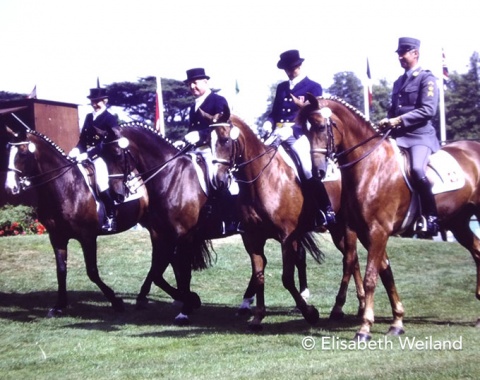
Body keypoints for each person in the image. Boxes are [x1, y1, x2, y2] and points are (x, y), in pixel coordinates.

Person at [263, 49, 335, 227]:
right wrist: (268, 122)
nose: (290, 71)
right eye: (287, 68)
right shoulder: (281, 87)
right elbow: (274, 112)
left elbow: (315, 116)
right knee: (256, 161)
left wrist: (294, 128)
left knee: (308, 168)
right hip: (277, 133)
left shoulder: (313, 86)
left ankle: (325, 209)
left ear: (299, 65)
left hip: (299, 134)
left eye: (293, 67)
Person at [379, 37, 440, 236]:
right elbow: (393, 109)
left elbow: (428, 110)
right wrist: (386, 120)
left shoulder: (426, 78)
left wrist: (398, 120)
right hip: (397, 136)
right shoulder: (398, 82)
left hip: (419, 136)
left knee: (416, 170)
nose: (400, 57)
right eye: (398, 54)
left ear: (415, 53)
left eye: (404, 53)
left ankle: (430, 216)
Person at [183, 68, 240, 235]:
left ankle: (230, 219)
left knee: (216, 178)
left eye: (195, 82)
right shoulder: (193, 106)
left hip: (213, 149)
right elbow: (190, 129)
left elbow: (222, 129)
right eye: (190, 84)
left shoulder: (217, 100)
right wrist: (184, 139)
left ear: (205, 82)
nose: (192, 86)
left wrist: (200, 135)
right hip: (195, 150)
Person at [70, 87, 119, 232]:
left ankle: (111, 217)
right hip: (85, 156)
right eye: (93, 101)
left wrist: (89, 155)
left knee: (101, 183)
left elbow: (107, 143)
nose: (95, 104)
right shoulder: (89, 117)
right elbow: (83, 139)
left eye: (97, 101)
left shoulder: (110, 118)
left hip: (103, 157)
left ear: (105, 101)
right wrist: (76, 150)